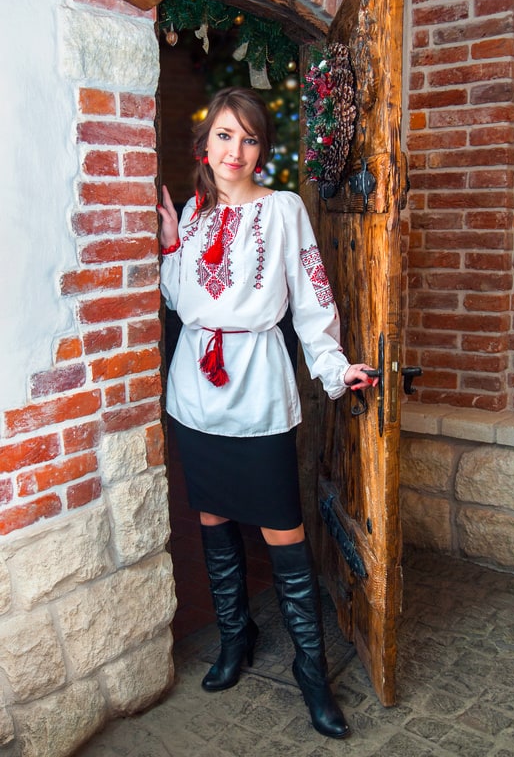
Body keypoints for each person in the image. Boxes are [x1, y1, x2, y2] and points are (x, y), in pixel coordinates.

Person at [157, 87, 377, 740]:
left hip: (257, 391)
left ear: (261, 149)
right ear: (206, 145)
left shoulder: (282, 210)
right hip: (196, 394)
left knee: (284, 529)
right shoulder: (193, 214)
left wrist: (336, 367)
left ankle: (311, 672)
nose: (235, 150)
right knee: (214, 520)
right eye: (224, 136)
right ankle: (235, 637)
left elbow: (311, 299)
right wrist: (173, 244)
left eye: (247, 138)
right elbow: (179, 299)